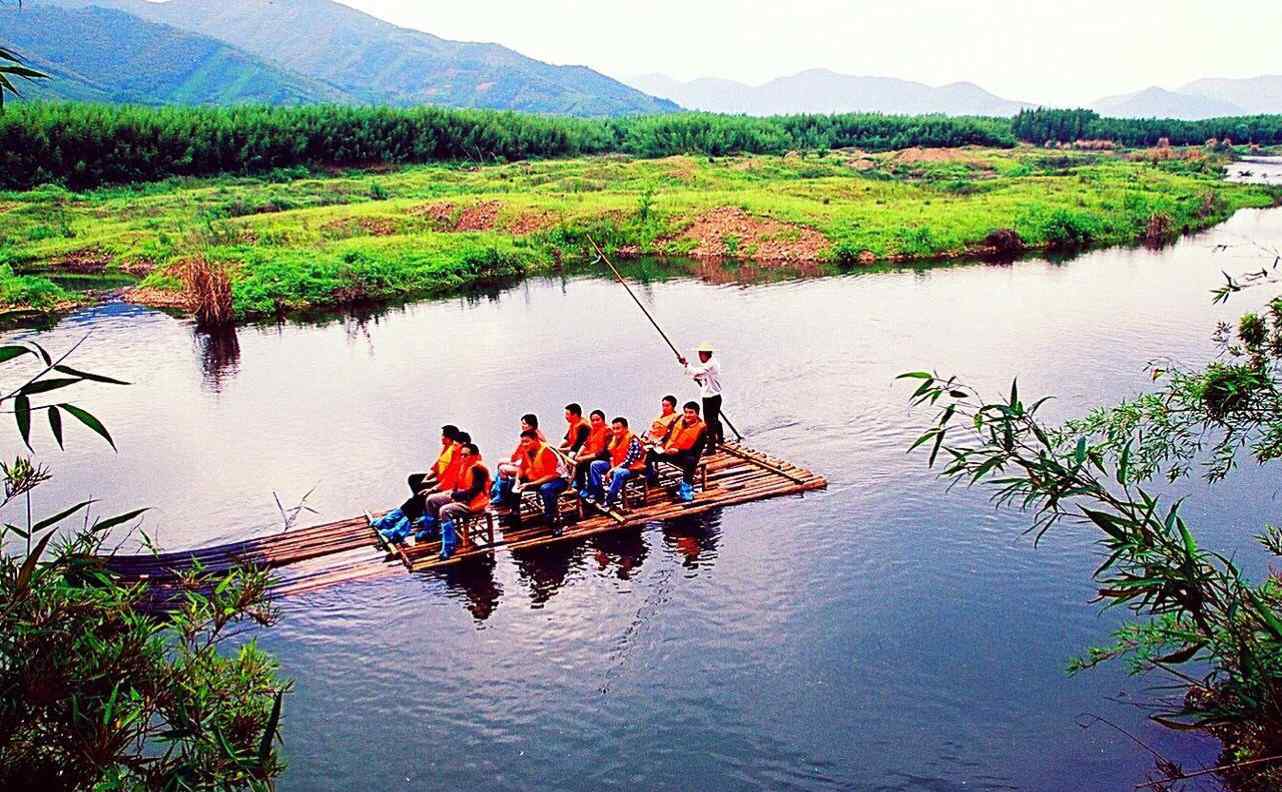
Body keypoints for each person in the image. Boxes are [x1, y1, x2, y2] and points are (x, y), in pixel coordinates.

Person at [372, 424, 465, 538]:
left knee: (419, 497)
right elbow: (437, 466)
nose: (441, 438)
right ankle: (405, 516)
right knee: (414, 480)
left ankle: (395, 526)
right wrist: (426, 480)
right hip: (442, 481)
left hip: (447, 486)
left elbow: (451, 479)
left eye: (442, 436)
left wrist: (432, 488)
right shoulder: (447, 449)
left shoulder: (456, 454)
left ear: (448, 438)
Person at [418, 443, 491, 560]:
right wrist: (449, 493)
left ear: (474, 456)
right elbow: (456, 486)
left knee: (444, 510)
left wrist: (455, 495)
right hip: (461, 497)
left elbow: (473, 492)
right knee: (431, 500)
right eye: (461, 455)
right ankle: (431, 531)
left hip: (472, 502)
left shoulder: (478, 470)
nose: (462, 458)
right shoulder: (463, 466)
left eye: (465, 455)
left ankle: (448, 546)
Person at [502, 429, 568, 535]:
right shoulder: (527, 451)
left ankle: (553, 521)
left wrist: (531, 484)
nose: (524, 444)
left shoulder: (546, 451)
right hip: (539, 479)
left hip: (558, 480)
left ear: (536, 440)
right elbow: (521, 469)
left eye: (527, 441)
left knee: (546, 488)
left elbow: (552, 475)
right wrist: (518, 481)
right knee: (512, 483)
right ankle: (514, 515)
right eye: (522, 442)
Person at [645, 401, 707, 502]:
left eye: (691, 412)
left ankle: (686, 488)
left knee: (691, 461)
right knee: (648, 453)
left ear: (697, 414)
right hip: (667, 451)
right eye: (686, 412)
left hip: (684, 455)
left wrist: (678, 451)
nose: (687, 415)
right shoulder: (678, 419)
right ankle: (651, 477)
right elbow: (667, 434)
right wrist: (659, 443)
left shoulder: (701, 429)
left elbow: (697, 450)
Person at [586, 417, 645, 510]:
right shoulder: (614, 438)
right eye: (614, 428)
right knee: (595, 464)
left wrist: (612, 470)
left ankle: (609, 502)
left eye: (618, 428)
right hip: (617, 465)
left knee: (618, 473)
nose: (615, 431)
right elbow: (611, 456)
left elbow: (629, 461)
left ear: (625, 428)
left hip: (631, 468)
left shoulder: (633, 440)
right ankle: (598, 495)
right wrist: (612, 468)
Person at [491, 414, 545, 508]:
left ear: (531, 425)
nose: (522, 426)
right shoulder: (528, 434)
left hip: (533, 469)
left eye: (524, 424)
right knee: (500, 461)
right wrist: (514, 461)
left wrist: (517, 463)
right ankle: (496, 490)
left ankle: (502, 496)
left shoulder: (536, 438)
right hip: (524, 462)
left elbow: (533, 458)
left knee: (503, 469)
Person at [677, 342, 723, 450]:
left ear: (705, 354)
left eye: (700, 354)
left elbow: (697, 372)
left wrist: (686, 364)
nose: (699, 357)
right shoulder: (709, 364)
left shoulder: (711, 364)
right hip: (711, 396)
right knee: (713, 419)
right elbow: (700, 375)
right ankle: (719, 438)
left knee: (710, 422)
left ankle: (711, 448)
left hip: (711, 397)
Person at [570, 410, 610, 493]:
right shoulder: (593, 431)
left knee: (587, 463)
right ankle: (580, 487)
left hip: (604, 458)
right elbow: (586, 444)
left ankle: (595, 491)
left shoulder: (608, 432)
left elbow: (602, 452)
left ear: (603, 420)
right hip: (592, 456)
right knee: (578, 462)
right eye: (593, 420)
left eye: (597, 420)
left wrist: (583, 458)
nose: (595, 423)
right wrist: (578, 455)